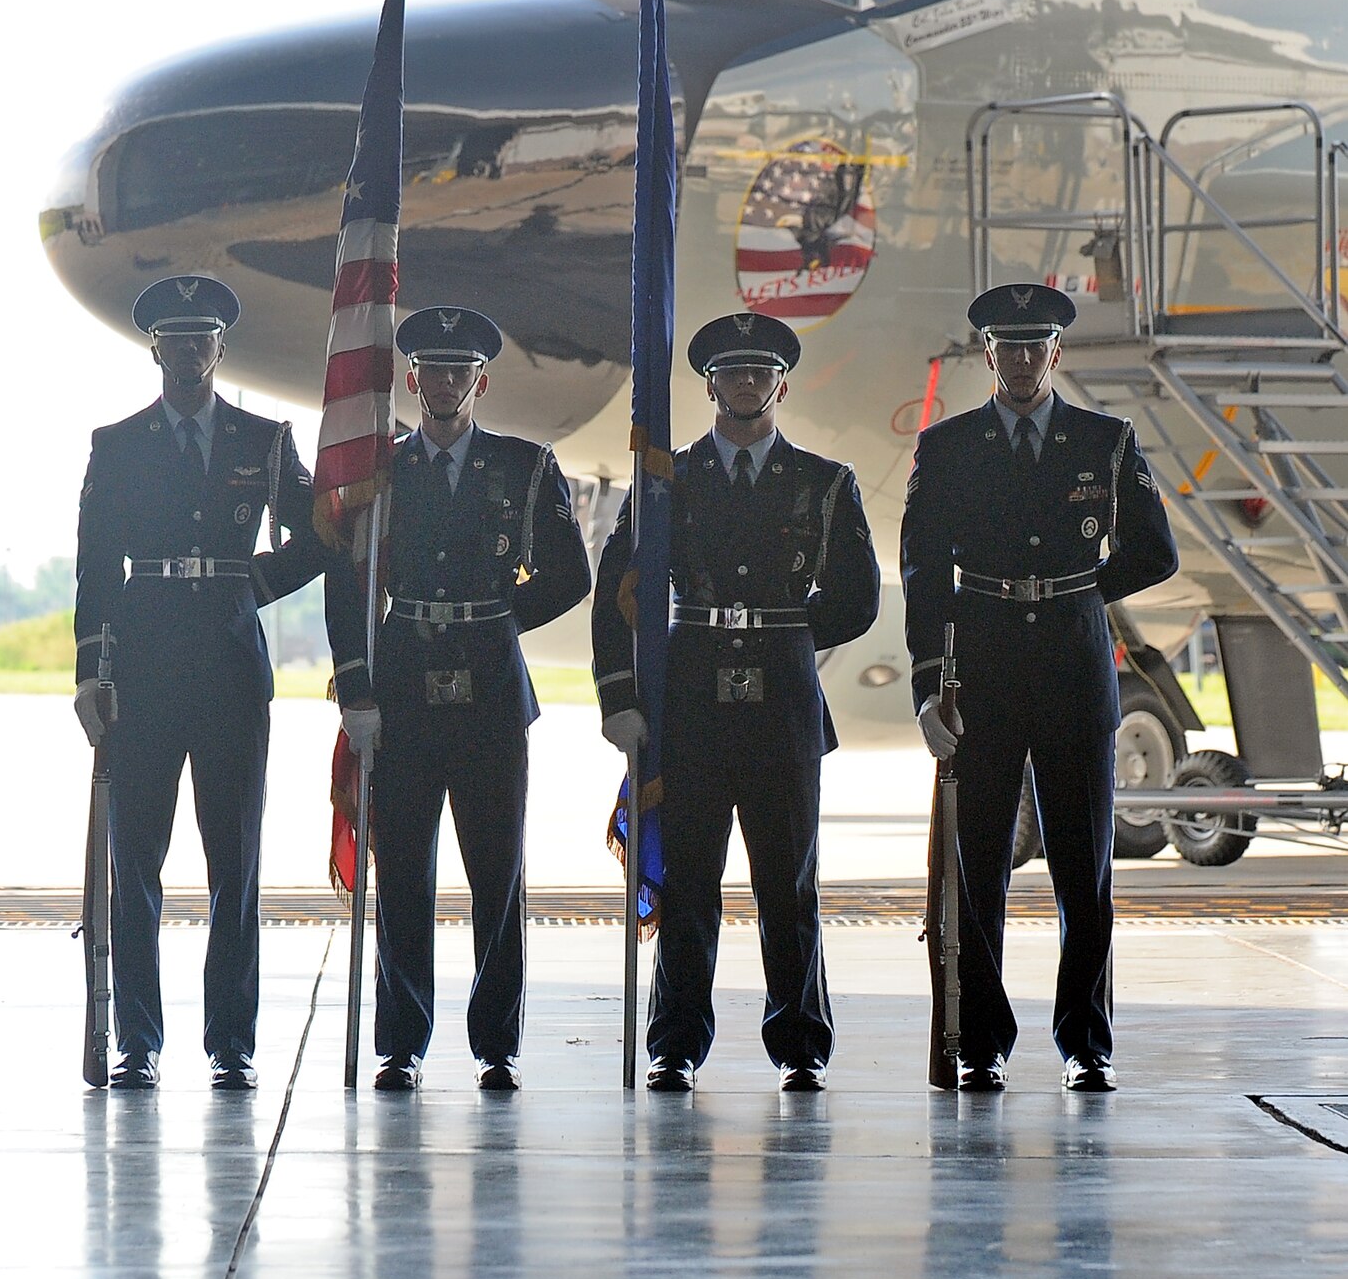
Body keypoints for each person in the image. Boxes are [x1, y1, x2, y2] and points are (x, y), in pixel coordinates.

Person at [901, 283, 1179, 1093]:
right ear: (985, 355)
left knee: (1081, 866)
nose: (1020, 361)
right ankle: (980, 1041)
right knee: (976, 863)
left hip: (1071, 660)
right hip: (982, 663)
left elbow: (1155, 550)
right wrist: (928, 686)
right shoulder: (947, 447)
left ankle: (1085, 1042)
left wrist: (1083, 586)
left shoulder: (1105, 440)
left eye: (1034, 348)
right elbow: (921, 572)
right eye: (1005, 347)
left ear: (1055, 354)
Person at [592, 311, 880, 1093]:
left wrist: (785, 629)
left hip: (782, 702)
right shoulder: (666, 480)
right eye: (730, 374)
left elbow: (857, 598)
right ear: (708, 385)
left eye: (759, 374)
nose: (745, 385)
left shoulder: (824, 482)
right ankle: (675, 1044)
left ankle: (799, 1045)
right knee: (689, 885)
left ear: (779, 385)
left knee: (787, 885)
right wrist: (619, 698)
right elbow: (613, 590)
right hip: (691, 700)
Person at [73, 274, 329, 1091]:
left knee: (235, 865)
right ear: (156, 348)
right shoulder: (117, 443)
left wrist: (259, 582)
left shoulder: (264, 438)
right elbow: (92, 571)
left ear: (223, 347)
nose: (189, 351)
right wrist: (90, 672)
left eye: (203, 338)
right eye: (175, 339)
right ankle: (137, 1044)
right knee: (135, 865)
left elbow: (320, 531)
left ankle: (231, 1045)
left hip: (228, 661)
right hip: (143, 663)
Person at [327, 307, 591, 1092]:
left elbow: (570, 575)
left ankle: (495, 1045)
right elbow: (348, 585)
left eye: (459, 372)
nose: (444, 385)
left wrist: (502, 617)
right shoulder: (381, 469)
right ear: (410, 380)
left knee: (496, 874)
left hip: (490, 688)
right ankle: (400, 1043)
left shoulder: (525, 465)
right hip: (404, 677)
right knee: (403, 870)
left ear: (481, 380)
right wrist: (357, 688)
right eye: (431, 371)